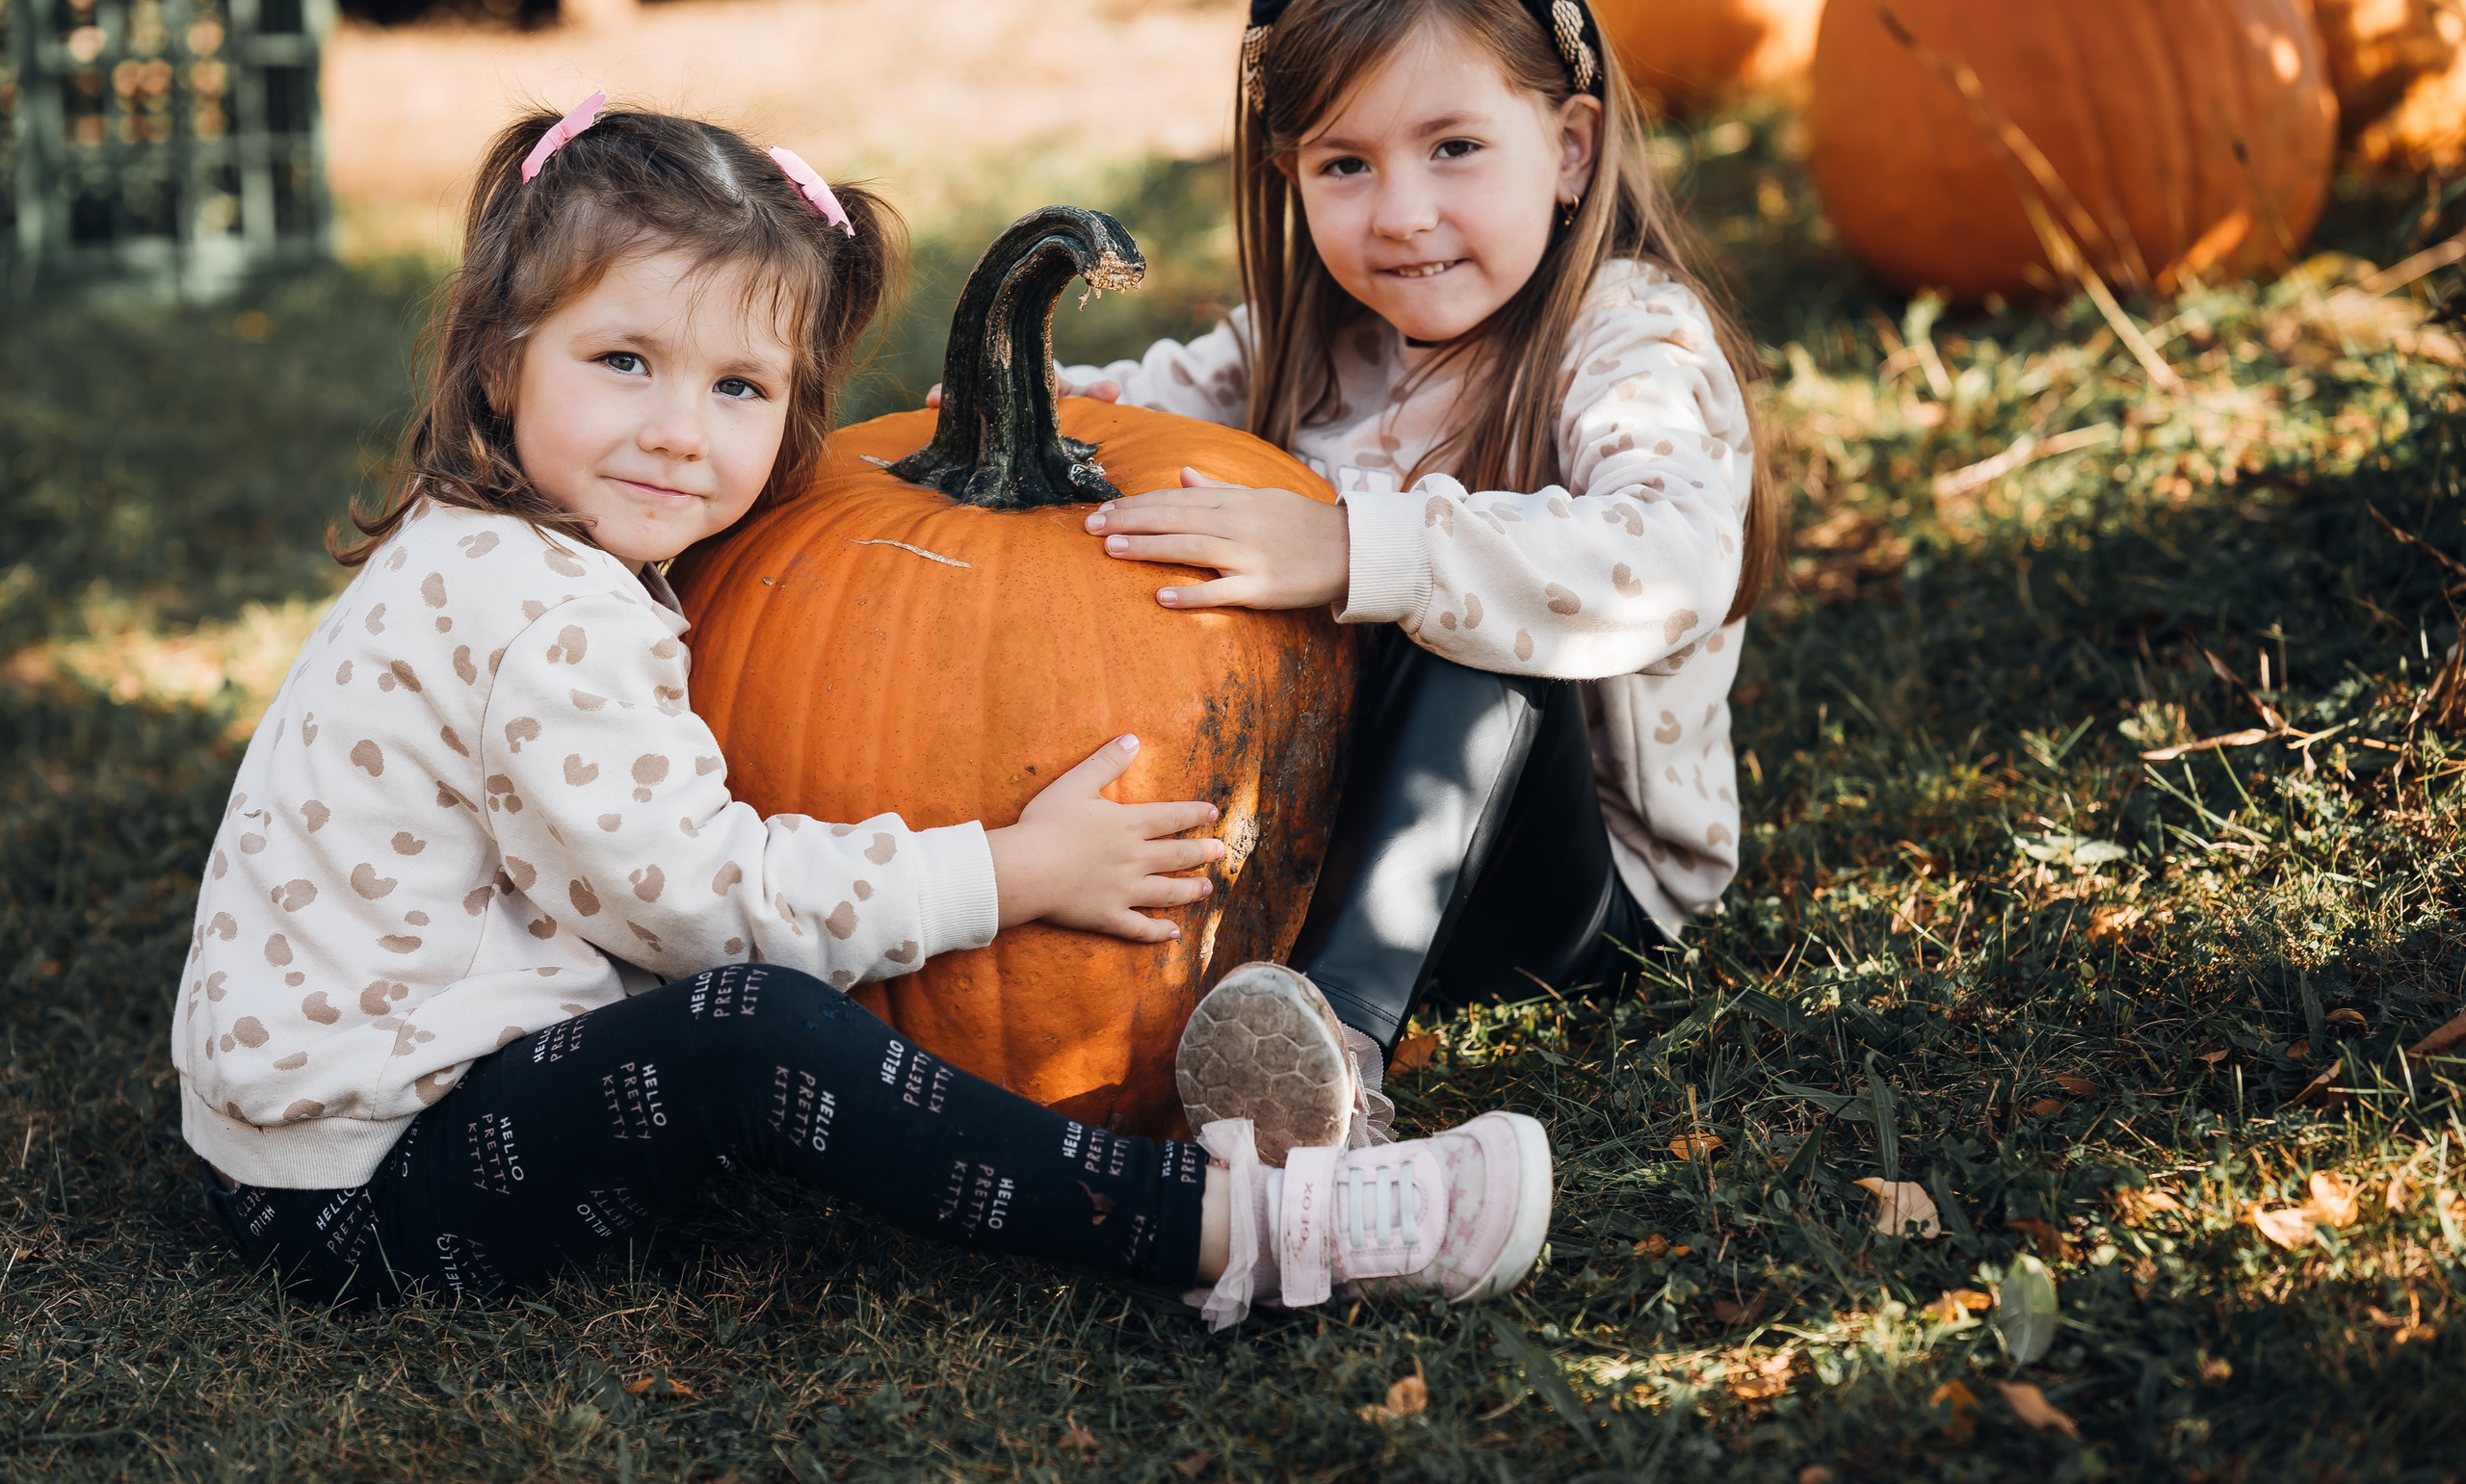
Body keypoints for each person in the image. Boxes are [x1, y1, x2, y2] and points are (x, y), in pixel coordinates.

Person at [170, 95, 1551, 1327]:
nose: (677, 431)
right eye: (623, 362)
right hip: (368, 1196)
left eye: (738, 389)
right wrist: (1011, 869)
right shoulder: (542, 616)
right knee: (748, 1033)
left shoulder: (484, 533)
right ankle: (1239, 1228)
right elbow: (710, 901)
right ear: (496, 362)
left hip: (317, 1136)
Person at [1059, 0, 1779, 1160]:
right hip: (1323, 827)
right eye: (1347, 164)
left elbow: (1668, 556)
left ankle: (1335, 1042)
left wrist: (1354, 547)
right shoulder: (1305, 344)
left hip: (1573, 887)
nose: (1399, 212)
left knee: (1468, 612)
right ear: (1290, 178)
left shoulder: (1629, 336)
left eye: (1453, 147)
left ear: (1567, 149)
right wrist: (1051, 416)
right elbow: (1151, 407)